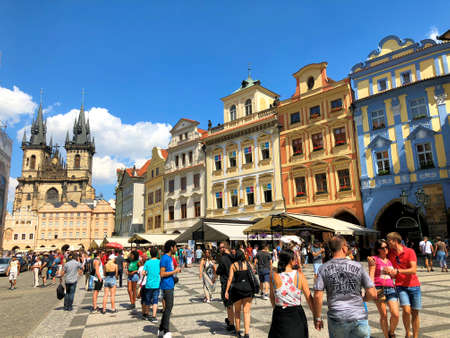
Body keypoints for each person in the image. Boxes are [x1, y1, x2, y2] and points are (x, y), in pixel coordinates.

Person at [313, 235, 376, 338]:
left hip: (337, 317)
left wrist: (318, 318)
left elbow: (317, 296)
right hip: (359, 317)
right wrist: (363, 299)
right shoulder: (358, 266)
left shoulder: (323, 268)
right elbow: (372, 293)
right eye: (347, 245)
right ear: (343, 247)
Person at [268, 249, 315, 338]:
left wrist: (277, 308)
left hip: (279, 313)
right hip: (296, 314)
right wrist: (316, 316)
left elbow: (271, 296)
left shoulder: (273, 275)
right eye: (294, 258)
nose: (296, 259)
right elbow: (309, 298)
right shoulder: (299, 275)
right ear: (290, 260)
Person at [385, 232, 421, 338]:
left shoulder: (410, 251)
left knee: (415, 313)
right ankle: (407, 332)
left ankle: (415, 335)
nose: (388, 243)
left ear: (395, 241)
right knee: (406, 310)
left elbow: (413, 270)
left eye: (389, 241)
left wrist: (397, 271)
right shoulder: (390, 253)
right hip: (400, 286)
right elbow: (381, 256)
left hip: (414, 285)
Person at [368, 240, 399, 338]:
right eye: (383, 247)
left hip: (391, 288)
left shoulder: (389, 261)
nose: (386, 249)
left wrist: (392, 272)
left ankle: (392, 332)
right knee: (384, 315)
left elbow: (392, 277)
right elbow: (371, 275)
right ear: (378, 249)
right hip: (379, 289)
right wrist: (371, 288)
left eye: (386, 247)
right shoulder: (374, 259)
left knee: (395, 314)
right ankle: (386, 336)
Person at [225, 249, 256, 338]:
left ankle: (238, 331)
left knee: (237, 312)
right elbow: (252, 275)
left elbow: (230, 279)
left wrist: (226, 291)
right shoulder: (248, 264)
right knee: (247, 312)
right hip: (247, 290)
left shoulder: (233, 265)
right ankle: (246, 333)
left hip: (237, 290)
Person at [158, 240, 181, 338]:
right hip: (166, 286)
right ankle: (166, 331)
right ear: (171, 247)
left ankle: (161, 329)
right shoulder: (165, 258)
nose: (176, 249)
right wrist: (175, 271)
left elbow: (169, 271)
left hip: (170, 284)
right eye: (176, 247)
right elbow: (162, 274)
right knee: (168, 308)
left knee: (168, 308)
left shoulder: (170, 258)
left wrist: (175, 274)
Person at [216, 241, 235, 332]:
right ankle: (230, 320)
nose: (219, 250)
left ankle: (231, 324)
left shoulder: (223, 259)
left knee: (229, 305)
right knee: (234, 305)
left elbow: (218, 271)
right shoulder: (234, 256)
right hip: (236, 282)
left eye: (220, 248)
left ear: (224, 248)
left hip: (226, 283)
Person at [143, 247, 161, 323]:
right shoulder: (159, 262)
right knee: (155, 300)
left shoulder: (147, 262)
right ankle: (154, 316)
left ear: (150, 254)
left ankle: (146, 314)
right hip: (157, 283)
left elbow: (143, 273)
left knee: (148, 300)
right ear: (157, 254)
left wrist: (147, 273)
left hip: (149, 284)